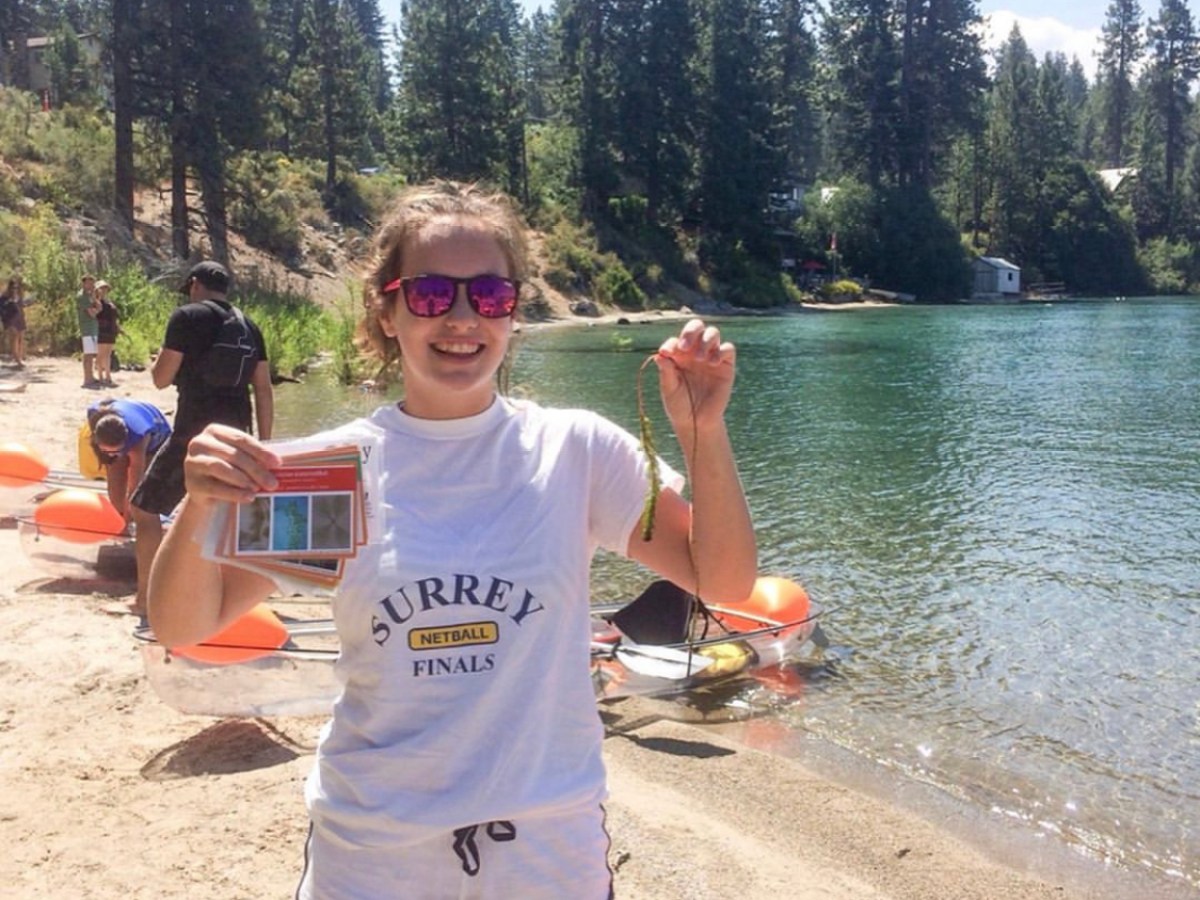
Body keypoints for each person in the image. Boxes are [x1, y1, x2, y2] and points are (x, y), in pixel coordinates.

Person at [147, 181, 757, 898]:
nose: (463, 317)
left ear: (513, 309)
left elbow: (723, 583)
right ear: (388, 306)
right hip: (373, 856)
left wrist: (702, 431)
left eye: (490, 296)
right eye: (434, 293)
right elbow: (185, 623)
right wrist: (198, 505)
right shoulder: (336, 471)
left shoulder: (576, 453)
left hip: (546, 854)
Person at [133, 260, 273, 620]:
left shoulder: (186, 317)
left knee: (145, 511)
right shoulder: (249, 327)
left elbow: (161, 379)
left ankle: (146, 601)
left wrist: (156, 362)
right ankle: (233, 604)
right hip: (239, 439)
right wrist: (265, 445)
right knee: (224, 519)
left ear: (195, 284)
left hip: (193, 439)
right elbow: (263, 389)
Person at [87, 398, 172, 615]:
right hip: (117, 432)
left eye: (117, 451)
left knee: (141, 503)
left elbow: (137, 487)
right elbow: (113, 476)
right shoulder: (96, 418)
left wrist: (130, 515)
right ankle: (122, 528)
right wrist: (118, 518)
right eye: (108, 451)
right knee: (115, 478)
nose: (113, 455)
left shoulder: (138, 436)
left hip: (157, 439)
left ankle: (152, 532)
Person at [1, 276, 34, 367]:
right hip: (11, 320)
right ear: (9, 287)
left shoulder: (19, 296)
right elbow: (3, 309)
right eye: (13, 287)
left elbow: (21, 305)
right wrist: (6, 322)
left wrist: (27, 303)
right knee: (14, 338)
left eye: (16, 287)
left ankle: (20, 356)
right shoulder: (4, 297)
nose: (14, 289)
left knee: (21, 338)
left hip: (19, 318)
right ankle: (17, 359)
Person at [94, 280, 121, 386]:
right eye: (101, 288)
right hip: (100, 330)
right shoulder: (95, 302)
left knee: (108, 354)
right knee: (100, 354)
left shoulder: (110, 303)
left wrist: (118, 328)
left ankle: (108, 377)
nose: (104, 290)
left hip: (110, 331)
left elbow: (114, 317)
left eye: (105, 288)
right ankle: (100, 377)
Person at [76, 274, 102, 388]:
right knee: (88, 354)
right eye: (88, 283)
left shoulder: (89, 296)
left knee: (91, 354)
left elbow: (97, 305)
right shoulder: (82, 297)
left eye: (92, 283)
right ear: (83, 283)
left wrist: (96, 299)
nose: (91, 285)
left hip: (92, 328)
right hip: (87, 328)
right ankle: (87, 379)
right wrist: (98, 310)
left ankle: (90, 376)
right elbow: (92, 313)